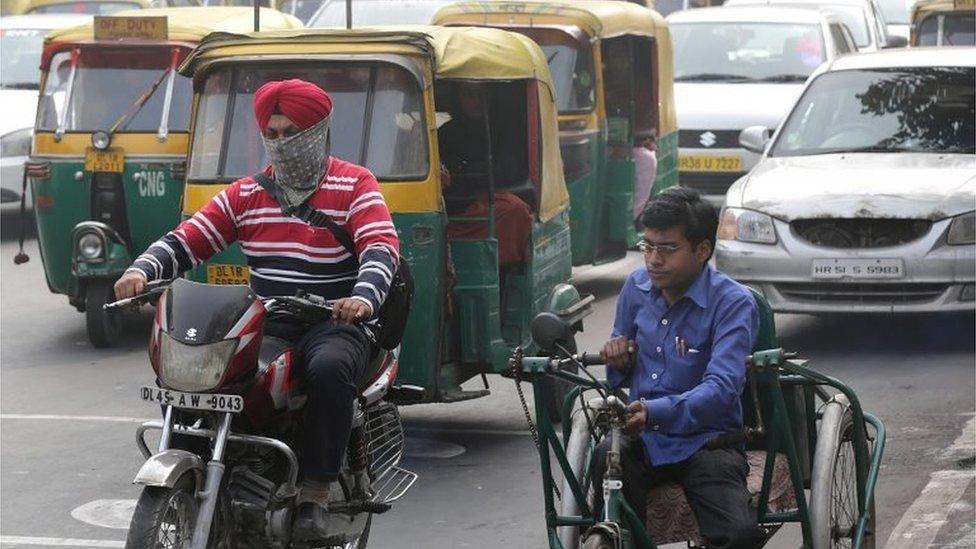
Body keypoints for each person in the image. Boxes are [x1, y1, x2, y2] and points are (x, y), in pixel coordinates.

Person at [113, 79, 400, 529]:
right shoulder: (247, 193)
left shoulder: (355, 184)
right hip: (273, 320)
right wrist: (140, 271)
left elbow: (380, 246)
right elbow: (189, 239)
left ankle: (315, 490)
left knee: (328, 368)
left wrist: (362, 298)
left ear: (319, 132)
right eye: (274, 133)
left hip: (336, 319)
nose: (281, 143)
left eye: (292, 133)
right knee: (217, 372)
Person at [593, 187, 764, 548]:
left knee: (739, 536)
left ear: (702, 250)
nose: (653, 259)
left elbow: (721, 389)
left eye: (668, 249)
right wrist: (617, 357)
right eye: (648, 246)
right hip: (641, 437)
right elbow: (619, 369)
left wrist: (654, 412)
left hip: (708, 440)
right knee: (607, 462)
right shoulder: (636, 288)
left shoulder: (733, 303)